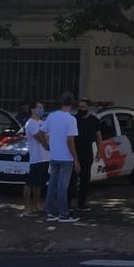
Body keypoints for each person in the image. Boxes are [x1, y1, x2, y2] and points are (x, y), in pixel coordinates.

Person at [38, 92, 81, 223]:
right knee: (63, 186)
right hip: (66, 157)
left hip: (55, 155)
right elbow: (70, 141)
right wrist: (76, 159)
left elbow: (41, 132)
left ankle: (50, 212)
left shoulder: (52, 116)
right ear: (72, 103)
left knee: (52, 184)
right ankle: (63, 213)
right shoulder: (71, 119)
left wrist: (46, 145)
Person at [70, 98, 103, 211]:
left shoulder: (94, 120)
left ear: (88, 108)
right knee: (72, 179)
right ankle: (69, 203)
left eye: (83, 107)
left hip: (87, 152)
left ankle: (82, 203)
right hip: (74, 152)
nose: (81, 109)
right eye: (79, 107)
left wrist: (99, 152)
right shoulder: (74, 119)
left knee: (85, 179)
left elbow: (99, 137)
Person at [22, 101, 48, 216]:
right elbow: (39, 136)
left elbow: (47, 134)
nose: (41, 109)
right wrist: (46, 144)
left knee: (39, 183)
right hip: (36, 157)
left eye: (42, 107)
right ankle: (27, 206)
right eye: (39, 107)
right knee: (31, 182)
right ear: (32, 109)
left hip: (45, 157)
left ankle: (36, 204)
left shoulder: (43, 122)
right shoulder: (30, 123)